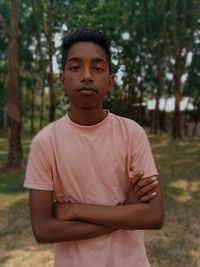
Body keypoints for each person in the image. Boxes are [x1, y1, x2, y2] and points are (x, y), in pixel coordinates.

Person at [24, 28, 164, 267]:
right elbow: (43, 229)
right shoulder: (46, 142)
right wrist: (126, 211)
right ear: (62, 79)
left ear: (110, 81)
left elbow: (153, 215)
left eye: (98, 68)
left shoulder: (131, 133)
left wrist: (75, 210)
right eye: (75, 67)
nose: (87, 76)